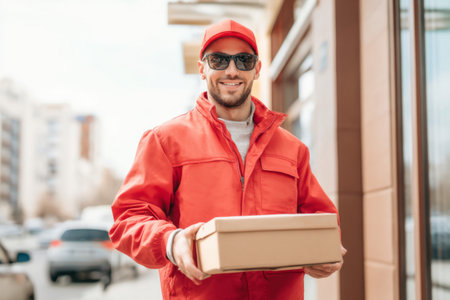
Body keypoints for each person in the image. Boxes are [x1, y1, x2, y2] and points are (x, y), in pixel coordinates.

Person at [109, 19, 346, 300]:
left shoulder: (292, 149)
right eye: (218, 60)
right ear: (202, 68)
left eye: (244, 60)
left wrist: (326, 250)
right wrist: (171, 241)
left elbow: (321, 219)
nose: (232, 70)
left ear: (257, 69)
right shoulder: (165, 141)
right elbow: (128, 219)